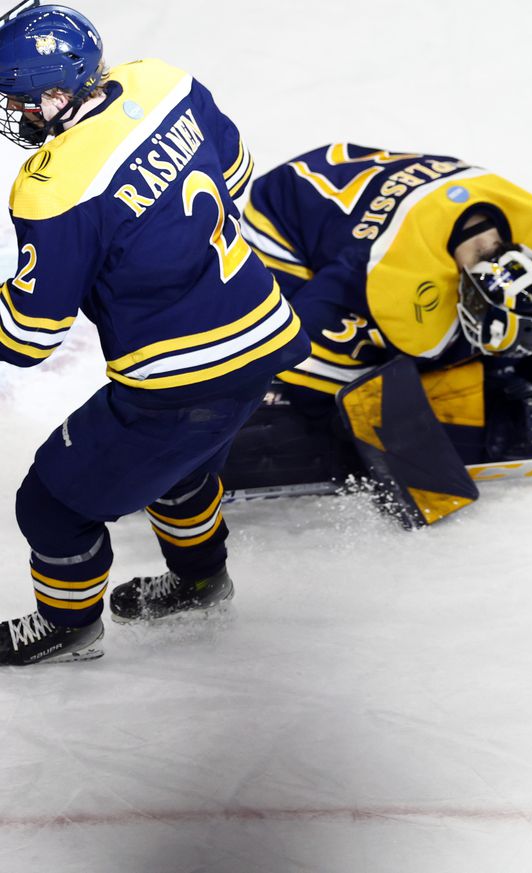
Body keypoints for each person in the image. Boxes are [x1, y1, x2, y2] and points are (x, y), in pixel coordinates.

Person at [0, 2, 309, 665]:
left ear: (55, 95)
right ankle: (201, 581)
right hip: (263, 335)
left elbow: (28, 337)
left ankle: (68, 627)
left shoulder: (52, 187)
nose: (17, 113)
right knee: (183, 472)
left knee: (50, 504)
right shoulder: (161, 82)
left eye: (22, 100)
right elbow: (237, 172)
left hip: (179, 378)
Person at [222, 143, 532, 502]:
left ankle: (498, 399)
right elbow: (299, 353)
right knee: (313, 385)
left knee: (462, 340)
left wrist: (520, 381)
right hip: (281, 225)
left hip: (378, 197)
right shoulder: (380, 274)